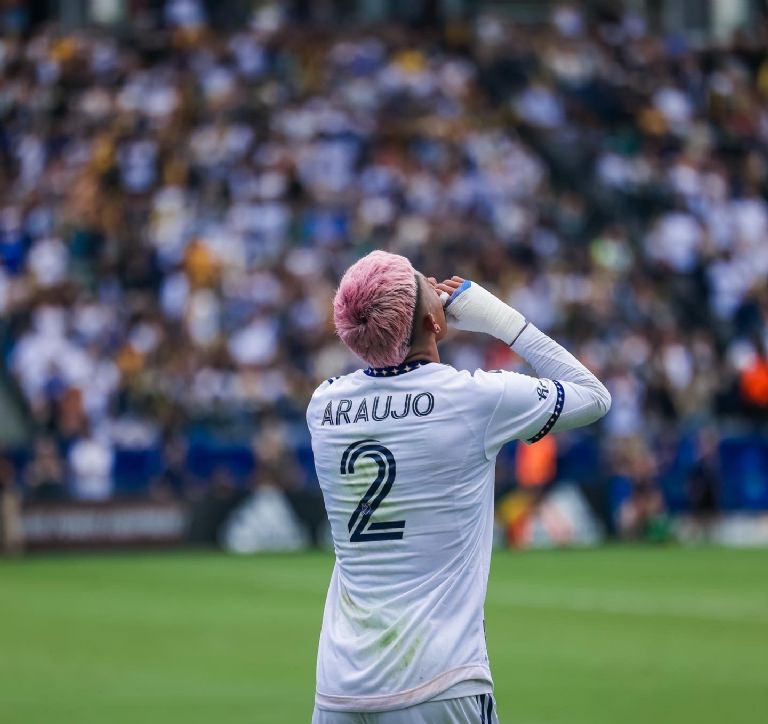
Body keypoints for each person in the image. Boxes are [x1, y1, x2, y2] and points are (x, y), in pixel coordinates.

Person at [306, 250, 611, 723]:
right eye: (421, 281)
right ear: (433, 321)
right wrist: (496, 316)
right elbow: (594, 396)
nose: (434, 281)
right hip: (441, 680)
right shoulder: (473, 398)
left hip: (340, 689)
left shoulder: (324, 405)